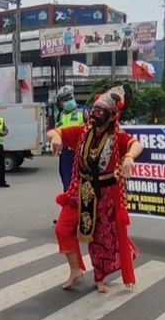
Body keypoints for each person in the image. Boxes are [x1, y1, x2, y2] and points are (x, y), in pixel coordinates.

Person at [48, 86, 144, 293]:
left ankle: (100, 277)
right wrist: (56, 136)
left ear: (111, 117)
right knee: (62, 228)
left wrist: (129, 156)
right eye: (95, 113)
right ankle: (75, 269)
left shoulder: (117, 137)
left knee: (102, 240)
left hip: (106, 195)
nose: (96, 119)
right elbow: (55, 131)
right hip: (80, 191)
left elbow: (136, 144)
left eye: (102, 114)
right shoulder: (83, 133)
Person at [55, 85, 86, 190]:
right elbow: (57, 131)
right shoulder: (61, 115)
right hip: (65, 153)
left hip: (81, 151)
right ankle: (69, 204)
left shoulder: (83, 111)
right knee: (67, 181)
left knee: (83, 181)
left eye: (69, 98)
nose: (67, 102)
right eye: (64, 100)